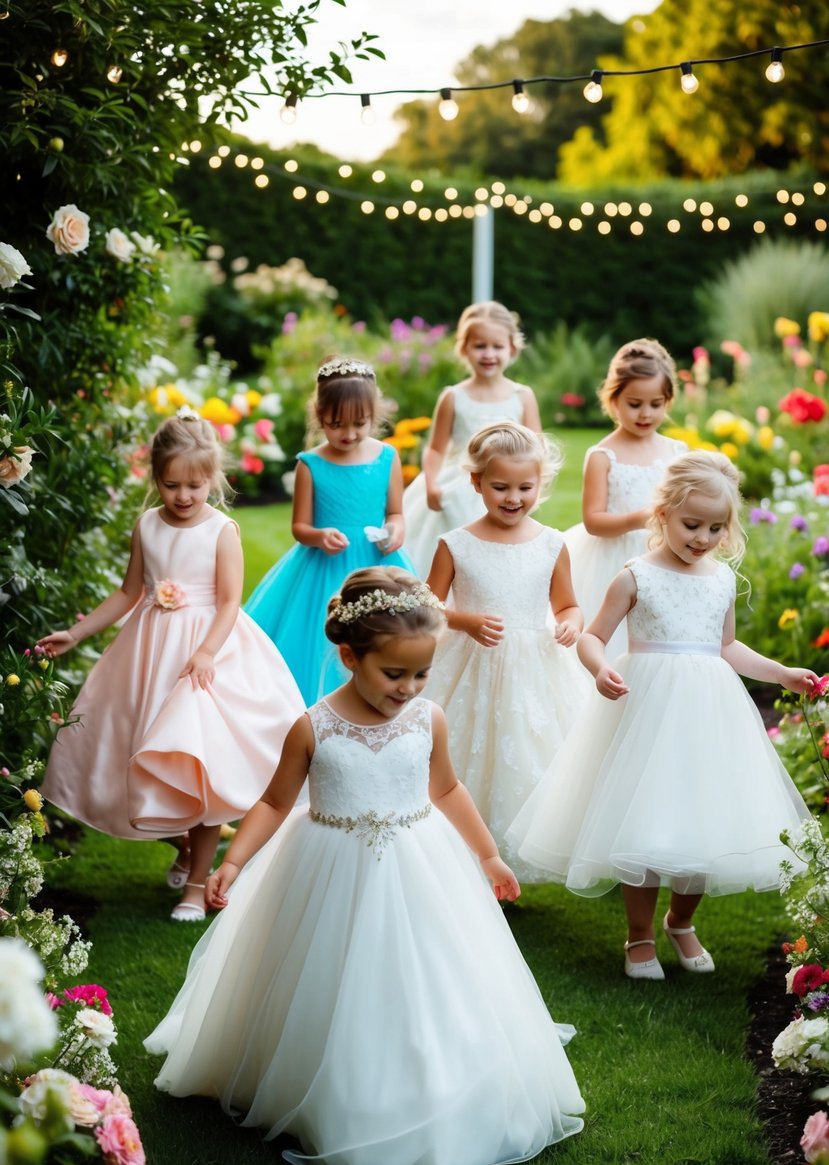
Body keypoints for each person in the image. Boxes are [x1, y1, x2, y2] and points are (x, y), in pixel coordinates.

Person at [145, 567, 585, 1165]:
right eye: (394, 673)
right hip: (327, 868)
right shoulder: (313, 726)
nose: (409, 688)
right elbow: (273, 803)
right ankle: (326, 1084)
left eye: (422, 674)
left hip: (419, 863)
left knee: (431, 976)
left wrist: (487, 855)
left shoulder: (427, 719)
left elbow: (448, 787)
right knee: (328, 977)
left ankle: (438, 1076)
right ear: (350, 655)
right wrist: (233, 862)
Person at [507, 451, 817, 979]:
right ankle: (639, 934)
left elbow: (727, 647)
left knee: (702, 821)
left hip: (708, 714)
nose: (701, 537)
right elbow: (591, 637)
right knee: (644, 823)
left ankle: (680, 920)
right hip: (646, 709)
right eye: (691, 524)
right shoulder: (635, 577)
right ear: (664, 514)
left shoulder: (719, 580)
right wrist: (600, 669)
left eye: (715, 528)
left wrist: (782, 672)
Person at [37, 410, 304, 921]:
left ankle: (198, 885)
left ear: (214, 479)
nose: (183, 496)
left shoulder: (222, 530)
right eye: (171, 484)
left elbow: (229, 602)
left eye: (195, 486)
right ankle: (184, 846)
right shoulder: (147, 525)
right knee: (146, 760)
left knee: (201, 765)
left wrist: (205, 652)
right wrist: (77, 632)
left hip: (206, 656)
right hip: (150, 655)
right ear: (156, 477)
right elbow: (128, 593)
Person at [426, 422, 590, 875]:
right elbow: (427, 608)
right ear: (477, 482)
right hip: (469, 666)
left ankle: (511, 855)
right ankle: (464, 856)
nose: (513, 497)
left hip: (535, 669)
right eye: (500, 487)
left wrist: (570, 626)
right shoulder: (455, 544)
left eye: (525, 487)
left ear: (541, 483)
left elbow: (569, 604)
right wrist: (465, 620)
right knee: (467, 755)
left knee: (529, 758)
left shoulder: (551, 544)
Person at [245, 357, 415, 704]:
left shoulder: (387, 457)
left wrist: (395, 531)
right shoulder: (311, 464)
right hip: (323, 567)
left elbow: (395, 511)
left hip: (375, 562)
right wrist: (319, 536)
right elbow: (299, 526)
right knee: (319, 643)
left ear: (373, 415)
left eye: (359, 423)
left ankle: (381, 696)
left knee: (386, 635)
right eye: (336, 424)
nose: (349, 434)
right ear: (320, 415)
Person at [565, 338, 687, 659]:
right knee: (617, 636)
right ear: (613, 399)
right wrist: (639, 518)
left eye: (656, 404)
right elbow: (594, 520)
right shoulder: (603, 455)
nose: (646, 413)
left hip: (664, 555)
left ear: (668, 401)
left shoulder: (676, 452)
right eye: (635, 404)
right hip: (614, 558)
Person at [403, 300, 542, 576]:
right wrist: (431, 483)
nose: (488, 354)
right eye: (480, 346)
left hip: (507, 484)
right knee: (457, 554)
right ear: (464, 348)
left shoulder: (522, 396)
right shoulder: (454, 397)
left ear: (512, 348)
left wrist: (532, 488)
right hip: (458, 488)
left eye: (497, 346)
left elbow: (536, 449)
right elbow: (435, 449)